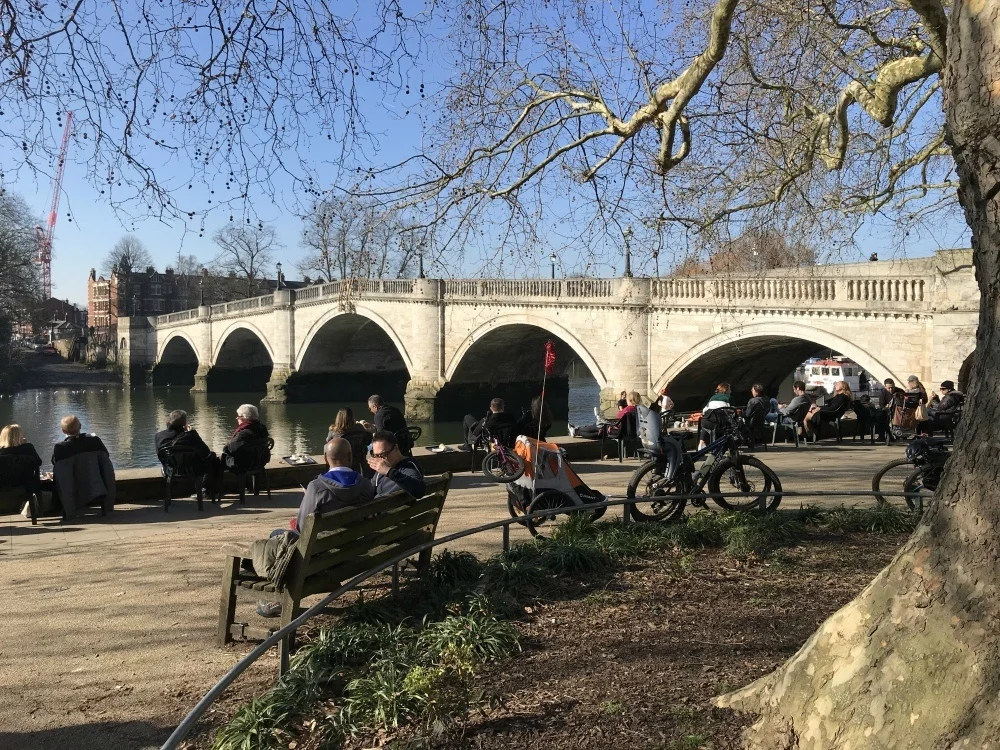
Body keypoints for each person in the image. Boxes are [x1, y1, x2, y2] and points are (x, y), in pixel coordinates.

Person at [293, 438, 374, 533]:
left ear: (325, 459)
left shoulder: (316, 487)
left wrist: (310, 495)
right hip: (360, 541)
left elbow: (302, 527)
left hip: (325, 545)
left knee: (276, 533)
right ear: (350, 457)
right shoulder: (366, 484)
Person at [51, 415, 115, 518]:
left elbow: (57, 466)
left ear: (63, 431)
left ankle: (69, 512)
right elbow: (106, 458)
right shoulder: (95, 441)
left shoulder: (60, 448)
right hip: (97, 485)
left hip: (72, 487)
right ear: (80, 426)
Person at [154, 409, 224, 501]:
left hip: (170, 469)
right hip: (192, 470)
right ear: (185, 423)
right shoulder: (191, 436)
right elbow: (206, 452)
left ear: (169, 421)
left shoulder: (159, 435)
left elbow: (160, 455)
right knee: (212, 457)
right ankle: (207, 490)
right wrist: (192, 433)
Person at [367, 429, 426, 498]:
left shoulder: (408, 466)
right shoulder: (381, 468)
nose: (380, 460)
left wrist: (388, 471)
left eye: (384, 454)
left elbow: (419, 491)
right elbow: (370, 491)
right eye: (376, 455)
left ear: (396, 448)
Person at [0, 424, 43, 501]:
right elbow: (38, 462)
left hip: (4, 488)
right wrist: (25, 445)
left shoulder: (1, 452)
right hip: (27, 489)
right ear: (19, 436)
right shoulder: (28, 448)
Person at [326, 407, 372, 473]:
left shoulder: (334, 432)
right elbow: (367, 440)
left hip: (341, 463)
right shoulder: (359, 427)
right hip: (359, 461)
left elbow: (329, 443)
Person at [698, 382, 732, 449]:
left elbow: (704, 411)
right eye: (730, 389)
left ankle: (701, 443)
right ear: (726, 390)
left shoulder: (712, 397)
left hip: (707, 422)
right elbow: (731, 410)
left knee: (705, 426)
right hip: (719, 423)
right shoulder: (729, 397)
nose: (731, 391)